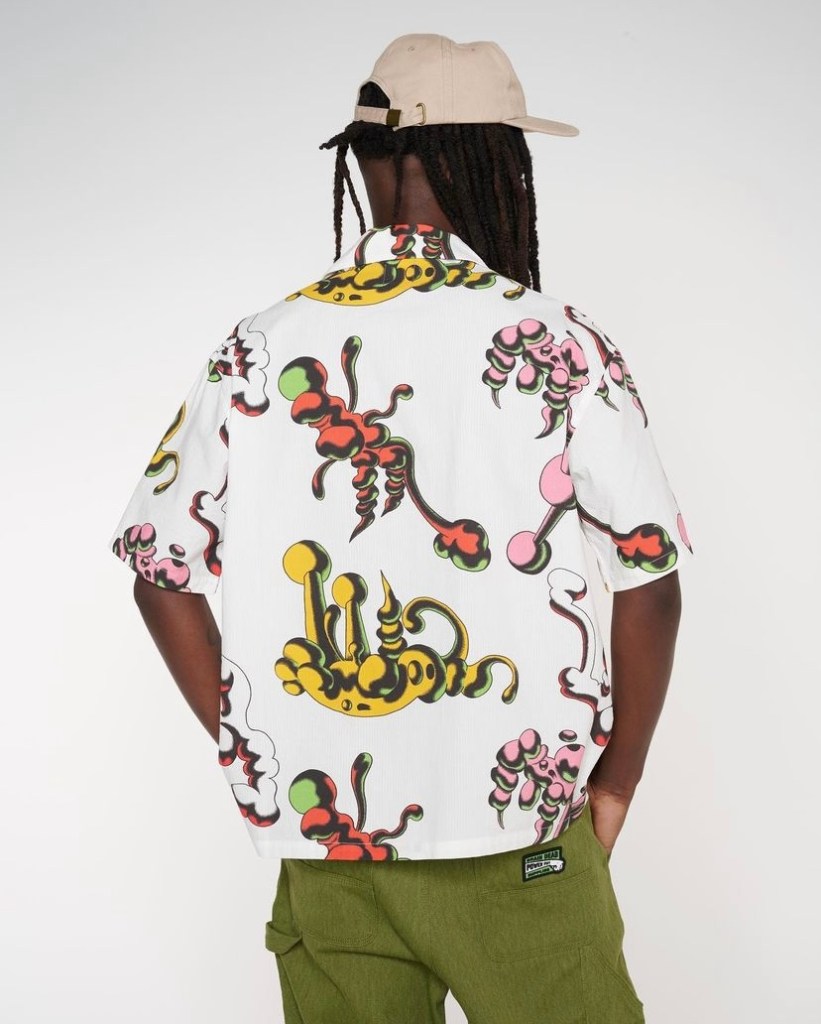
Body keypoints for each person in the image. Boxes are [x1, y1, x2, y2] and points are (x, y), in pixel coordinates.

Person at [109, 32, 693, 1024]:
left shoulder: (260, 348)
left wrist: (261, 740)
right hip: (520, 841)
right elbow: (649, 581)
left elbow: (157, 571)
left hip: (331, 850)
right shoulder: (558, 346)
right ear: (497, 164)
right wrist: (618, 777)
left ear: (367, 162)